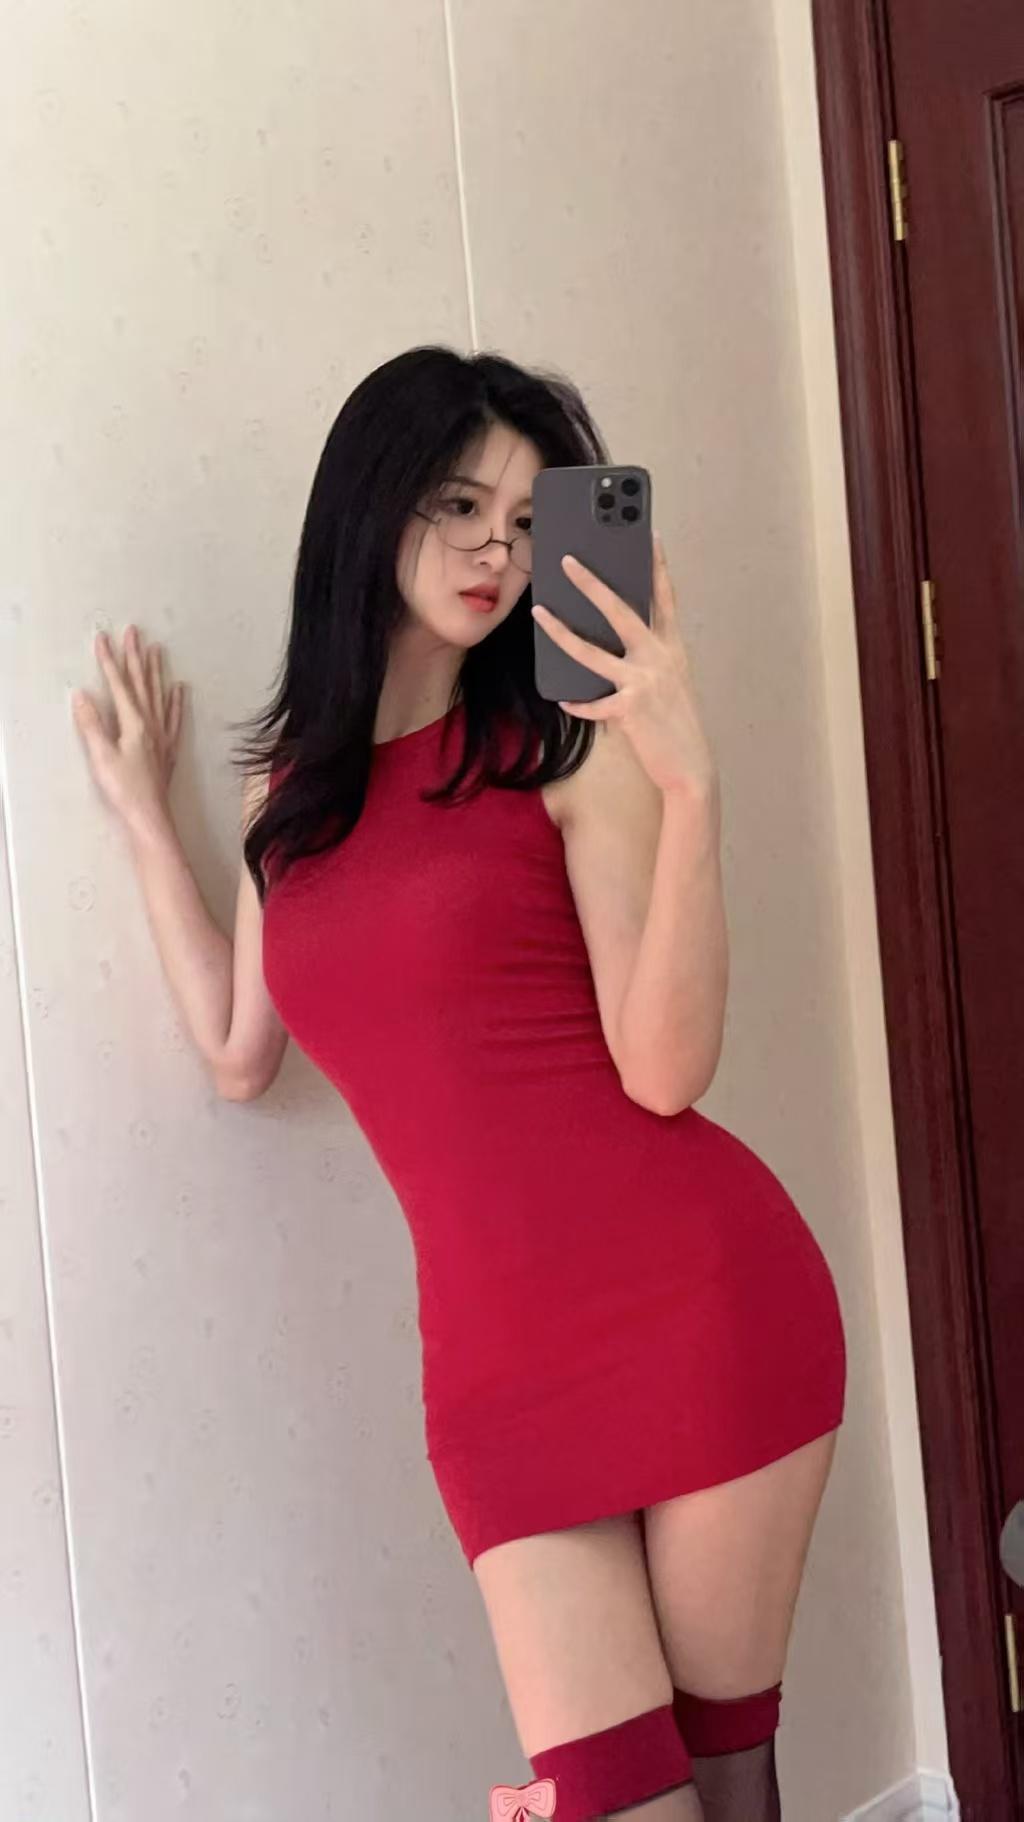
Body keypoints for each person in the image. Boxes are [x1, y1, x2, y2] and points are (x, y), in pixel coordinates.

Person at [72, 344, 846, 1822]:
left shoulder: (562, 742)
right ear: (373, 506)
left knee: (727, 1783)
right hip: (497, 1374)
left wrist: (691, 788)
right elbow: (239, 1052)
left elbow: (665, 1071)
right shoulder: (289, 795)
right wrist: (146, 820)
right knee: (612, 1800)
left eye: (528, 519)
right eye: (460, 505)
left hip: (699, 1303)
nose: (499, 548)